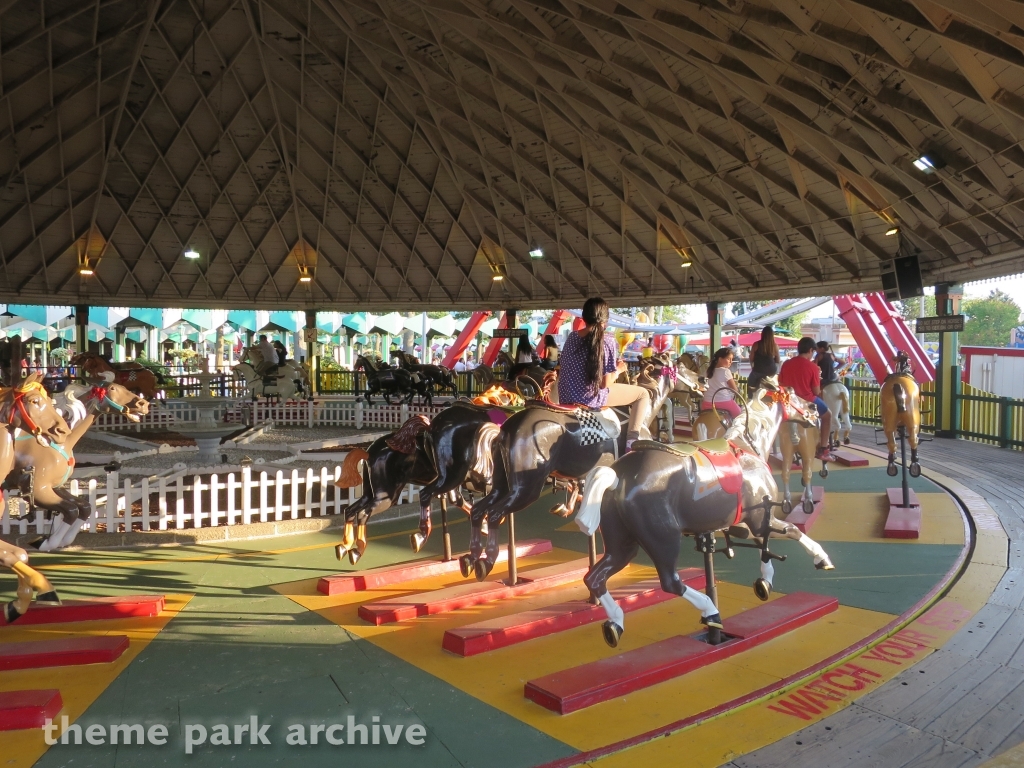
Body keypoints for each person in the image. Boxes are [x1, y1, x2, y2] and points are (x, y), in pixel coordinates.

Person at [557, 297, 653, 449]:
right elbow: (605, 383)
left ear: (584, 318)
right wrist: (619, 369)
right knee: (642, 394)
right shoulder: (608, 340)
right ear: (605, 321)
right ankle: (632, 442)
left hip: (566, 396)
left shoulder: (572, 337)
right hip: (588, 398)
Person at [779, 337, 834, 461]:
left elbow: (781, 383)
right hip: (806, 401)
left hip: (789, 401)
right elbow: (816, 391)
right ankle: (823, 449)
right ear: (810, 350)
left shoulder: (786, 363)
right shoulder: (812, 367)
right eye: (812, 352)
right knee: (828, 416)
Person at [701, 347, 742, 419]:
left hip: (707, 404)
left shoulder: (707, 371)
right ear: (720, 359)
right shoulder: (726, 371)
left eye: (732, 359)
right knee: (741, 417)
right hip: (724, 403)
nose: (731, 361)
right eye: (729, 359)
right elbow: (735, 390)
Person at [747, 325, 780, 393]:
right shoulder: (775, 346)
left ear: (762, 334)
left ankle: (751, 396)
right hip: (771, 372)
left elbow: (751, 358)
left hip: (758, 370)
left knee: (750, 383)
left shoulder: (756, 344)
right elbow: (778, 360)